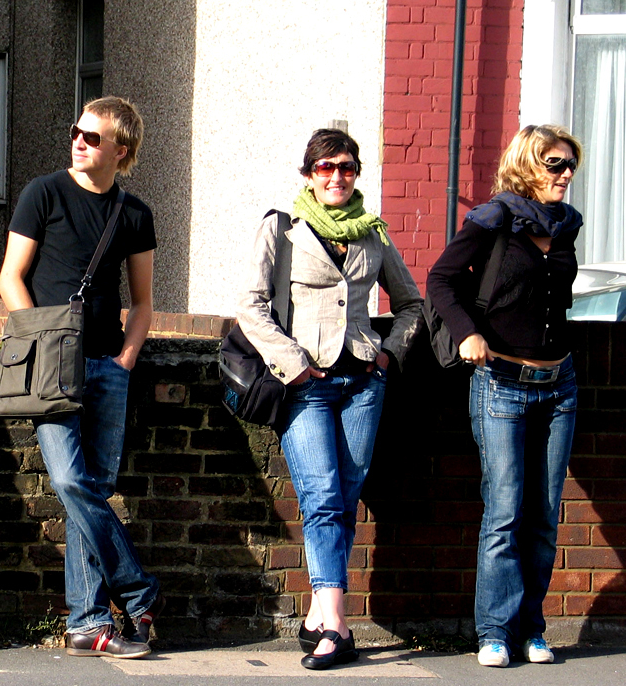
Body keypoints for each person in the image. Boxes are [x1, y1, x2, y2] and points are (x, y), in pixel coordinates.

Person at [237, 128, 423, 670]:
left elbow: (411, 303)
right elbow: (251, 307)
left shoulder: (373, 234)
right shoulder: (282, 228)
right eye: (326, 168)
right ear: (308, 175)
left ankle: (320, 612)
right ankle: (337, 627)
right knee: (322, 498)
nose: (337, 177)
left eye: (346, 168)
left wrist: (388, 354)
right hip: (306, 387)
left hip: (364, 383)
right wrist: (293, 367)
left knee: (344, 494)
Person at [0, 96, 163, 659]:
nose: (79, 141)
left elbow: (142, 302)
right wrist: (40, 345)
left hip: (108, 366)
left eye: (93, 136)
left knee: (89, 491)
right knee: (72, 481)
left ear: (122, 148)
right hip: (52, 366)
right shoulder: (43, 193)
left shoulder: (134, 213)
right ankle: (139, 593)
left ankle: (88, 622)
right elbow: (11, 279)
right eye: (77, 131)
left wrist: (126, 359)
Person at [426, 124, 583, 668]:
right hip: (503, 386)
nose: (565, 175)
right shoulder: (492, 220)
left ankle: (531, 629)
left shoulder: (566, 226)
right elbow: (441, 279)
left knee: (543, 514)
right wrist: (469, 333)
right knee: (505, 511)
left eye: (569, 165)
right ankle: (494, 631)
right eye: (554, 164)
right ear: (527, 165)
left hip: (558, 384)